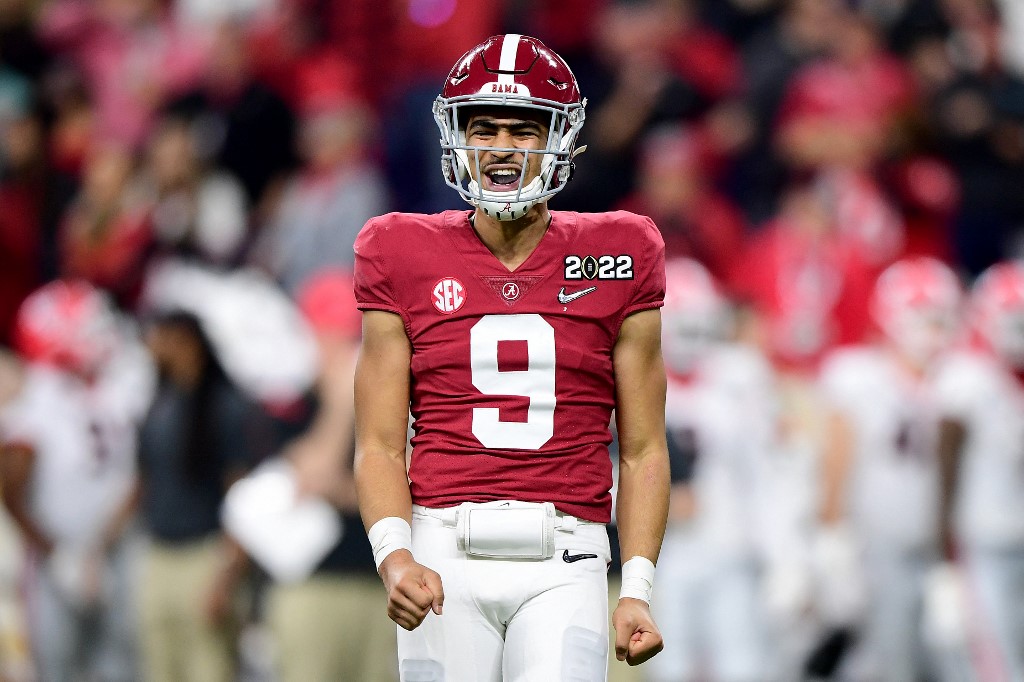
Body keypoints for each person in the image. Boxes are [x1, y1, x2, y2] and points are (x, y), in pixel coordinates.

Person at [352, 34, 669, 682]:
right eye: (485, 128)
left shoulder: (621, 252)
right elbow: (379, 444)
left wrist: (637, 586)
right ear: (457, 136)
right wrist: (395, 555)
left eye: (524, 130)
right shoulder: (396, 250)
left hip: (568, 553)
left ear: (560, 138)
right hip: (440, 544)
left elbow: (643, 449)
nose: (501, 147)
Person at [815, 257, 963, 681]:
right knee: (887, 661)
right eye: (925, 319)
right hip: (875, 545)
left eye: (941, 319)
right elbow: (836, 461)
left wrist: (952, 561)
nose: (934, 333)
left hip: (939, 548)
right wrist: (833, 541)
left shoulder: (961, 379)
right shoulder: (858, 376)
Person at [0, 280, 155, 682]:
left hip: (115, 545)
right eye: (89, 326)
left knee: (123, 660)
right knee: (57, 662)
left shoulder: (122, 381)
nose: (101, 334)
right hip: (53, 554)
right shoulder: (36, 396)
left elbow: (141, 472)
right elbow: (11, 488)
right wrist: (59, 554)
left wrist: (98, 547)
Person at [933, 260, 1024, 682]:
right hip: (984, 539)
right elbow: (944, 472)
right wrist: (944, 562)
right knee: (992, 663)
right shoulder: (967, 377)